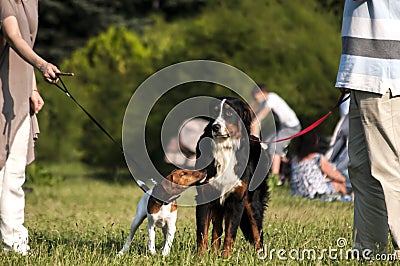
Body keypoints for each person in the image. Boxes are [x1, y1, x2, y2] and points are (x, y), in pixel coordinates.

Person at [336, 0, 400, 255]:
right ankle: (369, 249)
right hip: (364, 71)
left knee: (387, 168)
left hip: (381, 70)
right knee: (362, 169)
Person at [0, 0, 60, 255]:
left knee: (14, 174)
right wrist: (42, 64)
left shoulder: (31, 2)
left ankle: (15, 240)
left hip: (20, 89)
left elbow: (25, 43)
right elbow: (13, 36)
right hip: (4, 91)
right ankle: (13, 242)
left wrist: (33, 87)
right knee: (6, 172)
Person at [251, 84, 301, 185]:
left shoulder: (271, 98)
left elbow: (258, 119)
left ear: (262, 93)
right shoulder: (265, 101)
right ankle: (284, 161)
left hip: (292, 127)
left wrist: (254, 138)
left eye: (256, 97)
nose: (257, 100)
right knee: (267, 143)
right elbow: (255, 117)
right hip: (284, 128)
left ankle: (275, 178)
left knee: (274, 147)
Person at [290, 131, 349, 201]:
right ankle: (346, 198)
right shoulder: (317, 158)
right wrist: (345, 179)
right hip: (316, 193)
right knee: (339, 184)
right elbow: (335, 175)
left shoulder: (294, 159)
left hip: (298, 193)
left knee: (327, 180)